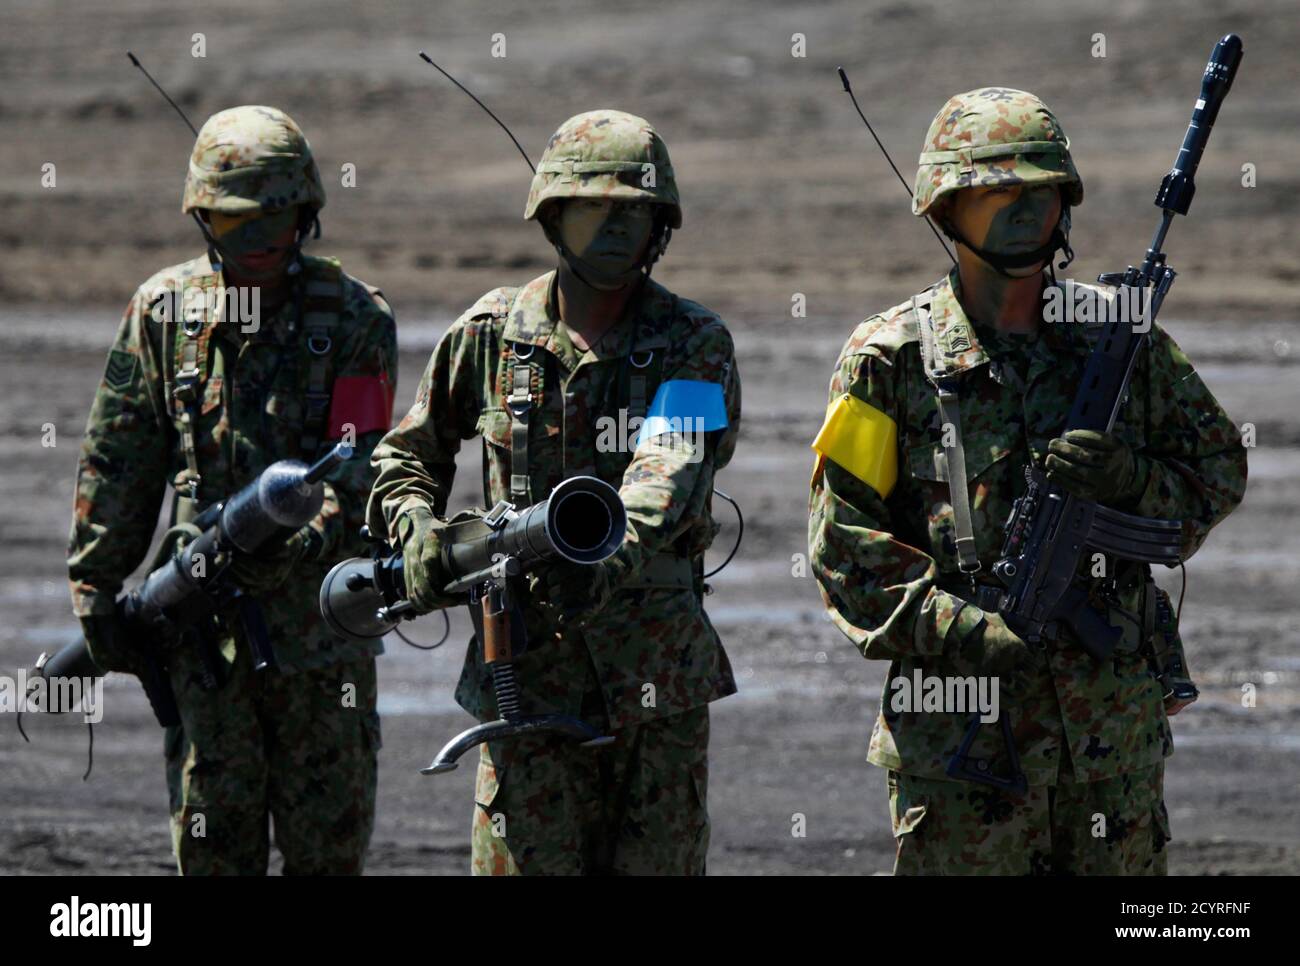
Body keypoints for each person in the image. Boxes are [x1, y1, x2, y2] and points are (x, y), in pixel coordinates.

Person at [808, 88, 1247, 875]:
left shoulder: (1118, 339)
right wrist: (974, 630)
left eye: (1040, 191)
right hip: (961, 749)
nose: (1025, 209)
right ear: (946, 209)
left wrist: (1132, 480)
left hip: (1109, 747)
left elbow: (1217, 470)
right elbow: (847, 551)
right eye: (997, 192)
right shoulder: (890, 360)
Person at [367, 109, 740, 875]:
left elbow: (666, 477)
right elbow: (409, 453)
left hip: (655, 688)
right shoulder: (489, 335)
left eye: (634, 214)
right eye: (592, 210)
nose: (614, 229)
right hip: (523, 684)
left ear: (659, 226)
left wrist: (602, 560)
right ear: (552, 217)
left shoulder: (695, 344)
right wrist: (416, 530)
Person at [67, 105, 397, 874]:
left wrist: (301, 542)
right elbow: (120, 457)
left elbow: (362, 460)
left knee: (330, 848)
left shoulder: (354, 317)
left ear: (305, 213)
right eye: (235, 219)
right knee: (213, 842)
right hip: (201, 634)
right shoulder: (162, 313)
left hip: (323, 640)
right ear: (202, 219)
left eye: (275, 218)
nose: (258, 238)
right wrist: (96, 585)